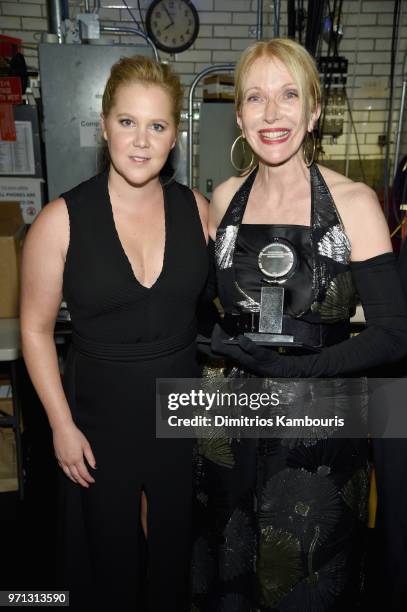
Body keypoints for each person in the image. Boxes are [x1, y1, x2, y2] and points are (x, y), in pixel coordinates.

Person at [192, 39, 407, 611]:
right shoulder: (223, 200)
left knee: (309, 580)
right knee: (228, 578)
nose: (271, 114)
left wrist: (300, 367)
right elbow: (208, 306)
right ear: (238, 115)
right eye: (255, 98)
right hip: (227, 429)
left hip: (319, 432)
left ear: (314, 111)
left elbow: (393, 334)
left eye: (288, 95)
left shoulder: (354, 204)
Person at [20, 55, 208, 611]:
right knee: (108, 565)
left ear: (175, 135)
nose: (142, 141)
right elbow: (33, 329)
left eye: (157, 125)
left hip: (181, 408)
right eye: (128, 122)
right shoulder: (60, 220)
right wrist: (60, 425)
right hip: (99, 416)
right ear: (104, 126)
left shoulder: (197, 209)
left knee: (176, 554)